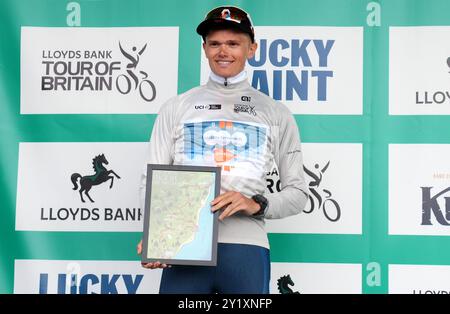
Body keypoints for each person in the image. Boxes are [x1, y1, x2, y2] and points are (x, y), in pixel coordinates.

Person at [137, 5, 308, 294]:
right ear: (204, 48)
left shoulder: (276, 112)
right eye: (215, 43)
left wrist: (257, 203)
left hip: (247, 248)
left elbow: (298, 194)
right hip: (185, 248)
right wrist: (156, 234)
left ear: (251, 49)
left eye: (233, 43)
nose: (223, 52)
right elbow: (151, 181)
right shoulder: (176, 107)